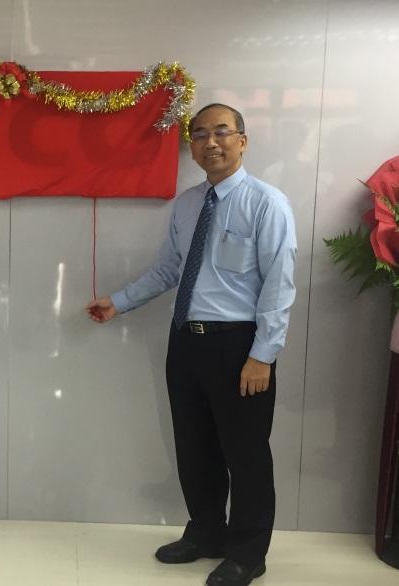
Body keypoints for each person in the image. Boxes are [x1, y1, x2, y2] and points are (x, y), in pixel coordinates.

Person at [86, 104, 296, 586]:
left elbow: (279, 287)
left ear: (243, 140)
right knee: (195, 447)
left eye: (222, 132)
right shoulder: (186, 204)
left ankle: (248, 552)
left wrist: (263, 355)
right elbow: (169, 269)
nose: (210, 142)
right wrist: (119, 302)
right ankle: (206, 533)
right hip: (186, 343)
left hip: (239, 346)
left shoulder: (268, 203)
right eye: (199, 134)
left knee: (245, 454)